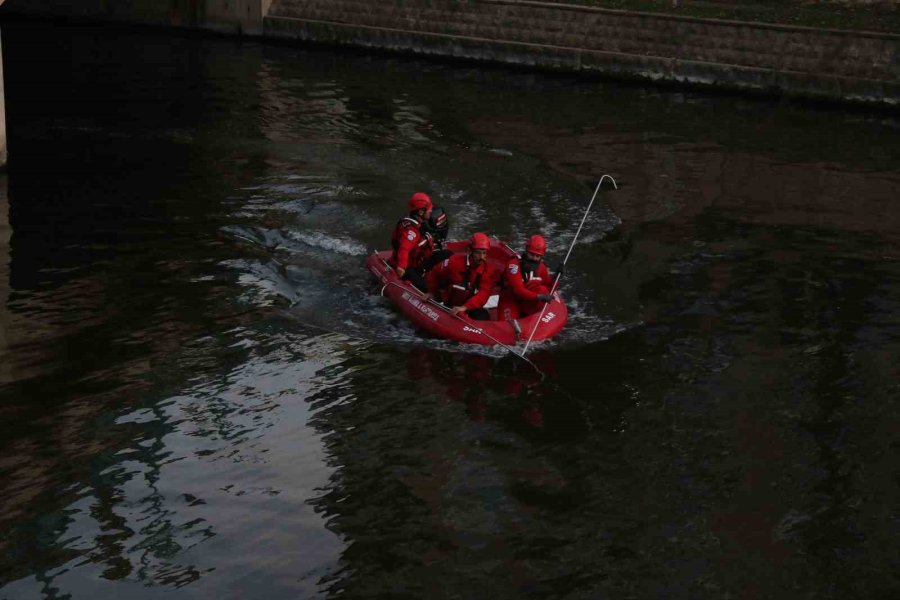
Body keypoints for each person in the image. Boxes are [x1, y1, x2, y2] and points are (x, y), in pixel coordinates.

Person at [426, 232, 495, 320]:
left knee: (483, 316)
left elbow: (484, 293)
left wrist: (465, 307)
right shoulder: (454, 262)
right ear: (471, 251)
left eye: (484, 253)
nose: (481, 257)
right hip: (447, 301)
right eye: (478, 253)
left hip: (467, 306)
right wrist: (431, 291)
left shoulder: (487, 270)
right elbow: (435, 272)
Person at [497, 234, 557, 321]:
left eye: (538, 256)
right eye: (532, 254)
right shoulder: (513, 265)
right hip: (510, 300)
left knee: (543, 289)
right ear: (526, 251)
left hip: (528, 301)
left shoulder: (541, 267)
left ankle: (530, 316)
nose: (534, 258)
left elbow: (548, 287)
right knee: (507, 327)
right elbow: (519, 290)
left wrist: (556, 278)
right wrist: (539, 297)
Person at [389, 191, 433, 291]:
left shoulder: (419, 225)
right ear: (421, 212)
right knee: (425, 288)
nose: (431, 211)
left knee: (445, 254)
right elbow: (404, 248)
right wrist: (401, 267)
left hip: (418, 261)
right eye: (429, 209)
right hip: (409, 267)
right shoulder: (412, 230)